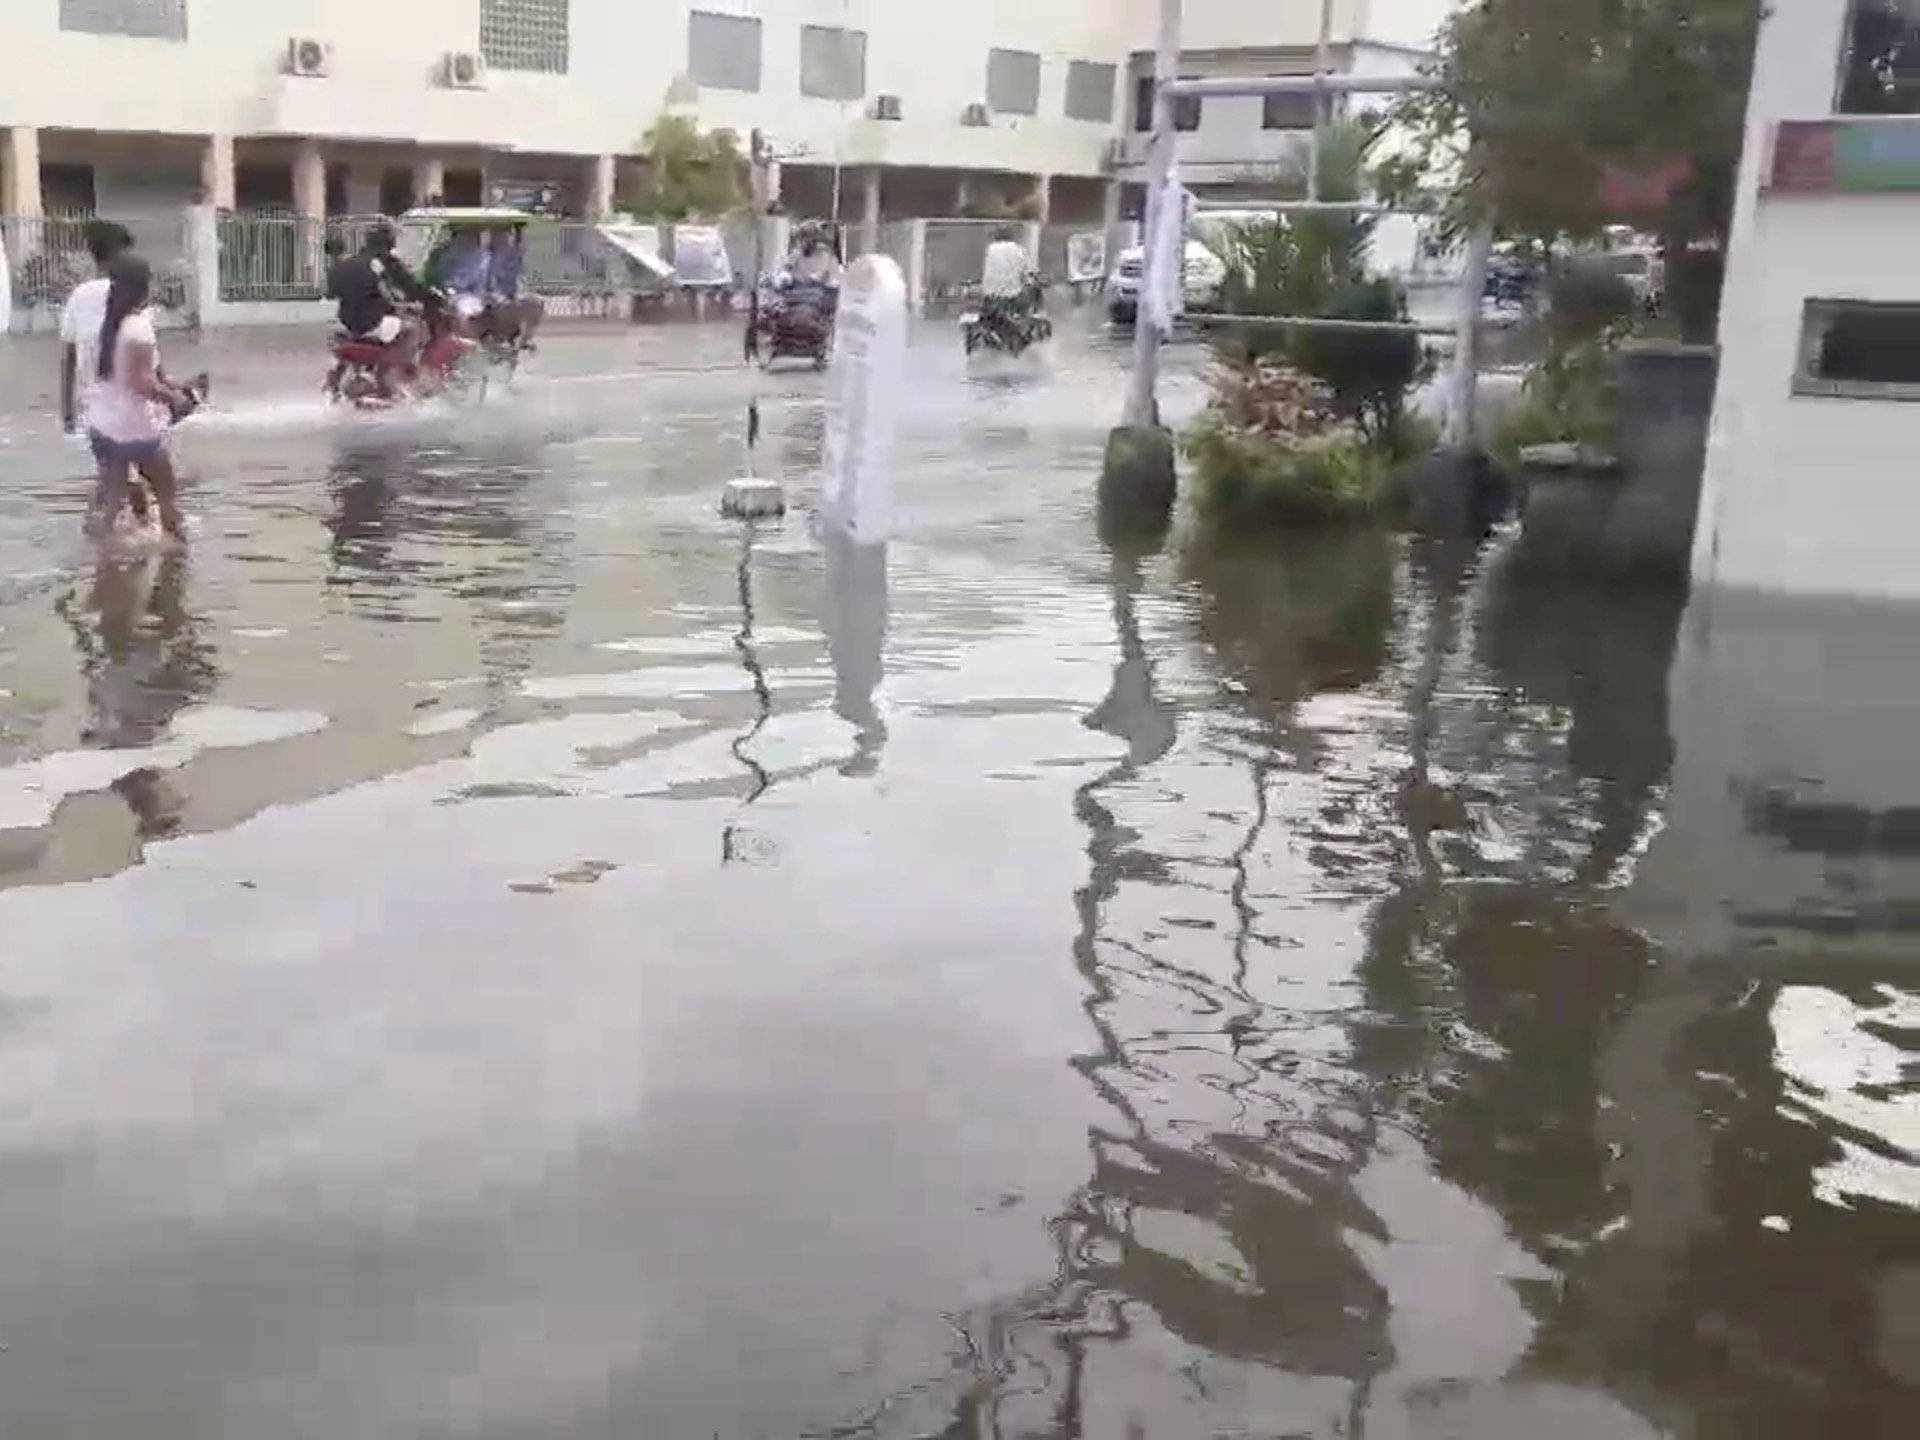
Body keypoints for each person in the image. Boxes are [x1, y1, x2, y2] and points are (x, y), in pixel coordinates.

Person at [85, 254, 191, 543]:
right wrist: (175, 399)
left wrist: (167, 384)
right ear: (143, 287)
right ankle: (178, 563)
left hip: (102, 426)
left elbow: (123, 375)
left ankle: (103, 566)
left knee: (112, 508)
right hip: (135, 428)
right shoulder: (138, 326)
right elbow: (139, 383)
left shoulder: (104, 323)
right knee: (168, 498)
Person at [326, 223, 430, 394]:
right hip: (371, 322)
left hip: (345, 322)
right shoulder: (379, 264)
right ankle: (400, 370)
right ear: (387, 244)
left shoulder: (344, 265)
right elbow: (392, 290)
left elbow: (333, 292)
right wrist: (409, 302)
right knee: (412, 329)